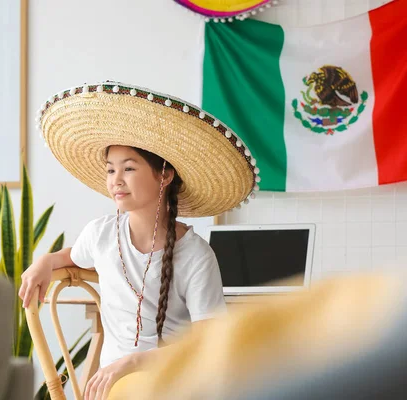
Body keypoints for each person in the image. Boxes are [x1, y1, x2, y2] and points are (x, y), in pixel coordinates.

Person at [19, 81, 260, 400]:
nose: (115, 180)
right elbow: (72, 257)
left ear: (165, 175)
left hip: (176, 382)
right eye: (110, 170)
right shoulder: (101, 234)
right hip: (117, 388)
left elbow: (207, 343)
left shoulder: (195, 256)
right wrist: (44, 262)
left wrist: (131, 362)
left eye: (129, 168)